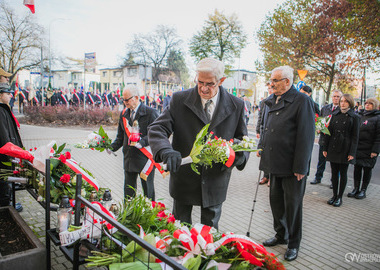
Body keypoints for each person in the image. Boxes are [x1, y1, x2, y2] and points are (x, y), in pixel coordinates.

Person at [148, 58, 249, 229]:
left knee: (210, 234)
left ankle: (206, 256)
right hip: (184, 178)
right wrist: (166, 150)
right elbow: (157, 128)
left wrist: (237, 156)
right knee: (179, 230)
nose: (203, 88)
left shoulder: (236, 105)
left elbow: (243, 140)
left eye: (209, 84)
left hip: (216, 179)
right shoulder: (180, 99)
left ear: (221, 81)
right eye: (200, 82)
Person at [258, 66, 315, 262]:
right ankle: (280, 234)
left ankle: (293, 243)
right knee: (276, 202)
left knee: (293, 206)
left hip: (292, 167)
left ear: (287, 82)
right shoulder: (272, 100)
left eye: (275, 80)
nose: (271, 84)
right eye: (271, 80)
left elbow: (306, 136)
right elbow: (265, 127)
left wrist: (301, 166)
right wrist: (261, 146)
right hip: (274, 163)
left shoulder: (302, 101)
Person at [109, 86, 159, 201]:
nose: (124, 102)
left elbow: (157, 135)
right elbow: (121, 137)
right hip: (129, 159)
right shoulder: (124, 114)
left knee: (148, 194)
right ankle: (129, 217)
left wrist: (143, 142)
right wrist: (111, 147)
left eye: (127, 100)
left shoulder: (150, 113)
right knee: (128, 194)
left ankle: (150, 217)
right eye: (123, 100)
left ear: (136, 98)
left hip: (144, 159)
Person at [323, 94, 360, 207]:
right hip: (333, 147)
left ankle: (339, 197)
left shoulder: (354, 117)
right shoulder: (334, 115)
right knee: (334, 173)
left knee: (343, 173)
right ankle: (334, 195)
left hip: (345, 148)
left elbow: (355, 137)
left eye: (345, 101)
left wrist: (352, 153)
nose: (342, 103)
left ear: (350, 103)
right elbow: (328, 133)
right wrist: (325, 148)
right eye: (341, 101)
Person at [348, 98, 380, 199]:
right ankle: (356, 188)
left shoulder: (378, 118)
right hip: (358, 147)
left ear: (374, 105)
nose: (367, 105)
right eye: (366, 103)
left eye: (370, 104)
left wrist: (375, 150)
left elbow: (379, 136)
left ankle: (363, 190)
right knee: (357, 168)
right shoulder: (359, 115)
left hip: (369, 149)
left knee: (367, 169)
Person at [311, 90, 342, 185]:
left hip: (335, 139)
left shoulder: (342, 109)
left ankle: (334, 181)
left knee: (335, 163)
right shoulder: (325, 108)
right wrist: (318, 129)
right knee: (321, 160)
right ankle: (318, 177)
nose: (336, 98)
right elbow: (320, 120)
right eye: (334, 96)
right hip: (324, 138)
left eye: (338, 96)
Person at [0, 84, 23, 211]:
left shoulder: (3, 108)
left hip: (6, 152)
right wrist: (11, 155)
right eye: (7, 93)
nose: (10, 96)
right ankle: (6, 206)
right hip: (4, 154)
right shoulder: (0, 110)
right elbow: (3, 137)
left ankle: (7, 202)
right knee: (5, 179)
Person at [256, 82, 273, 186]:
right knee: (264, 155)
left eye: (271, 87)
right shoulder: (264, 102)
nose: (270, 90)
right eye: (269, 88)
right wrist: (258, 130)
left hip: (273, 132)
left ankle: (272, 177)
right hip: (264, 132)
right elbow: (260, 117)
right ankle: (265, 175)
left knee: (272, 156)